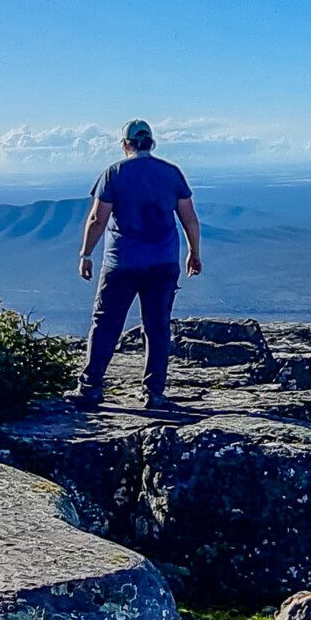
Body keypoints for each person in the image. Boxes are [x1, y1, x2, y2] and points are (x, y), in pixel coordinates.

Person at [71, 119, 202, 409]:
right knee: (157, 326)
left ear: (125, 144)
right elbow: (189, 217)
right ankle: (153, 393)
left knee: (106, 323)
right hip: (164, 262)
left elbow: (97, 219)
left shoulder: (114, 174)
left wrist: (86, 254)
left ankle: (91, 387)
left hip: (122, 263)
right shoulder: (171, 173)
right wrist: (194, 252)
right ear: (151, 143)